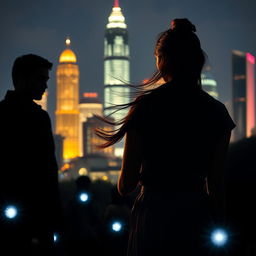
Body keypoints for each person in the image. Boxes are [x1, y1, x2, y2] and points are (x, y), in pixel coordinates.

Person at [95, 18, 236, 255]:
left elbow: (125, 185)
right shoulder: (217, 112)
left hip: (153, 216)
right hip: (196, 217)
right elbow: (217, 186)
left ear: (161, 61)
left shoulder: (146, 106)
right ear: (197, 62)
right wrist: (219, 225)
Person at [0, 54, 63, 255]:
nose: (45, 86)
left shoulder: (39, 116)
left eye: (46, 80)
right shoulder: (38, 118)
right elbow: (48, 168)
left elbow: (49, 167)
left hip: (29, 209)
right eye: (40, 79)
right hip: (31, 208)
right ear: (21, 79)